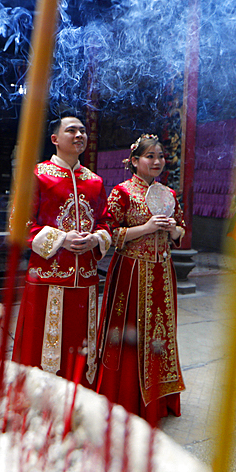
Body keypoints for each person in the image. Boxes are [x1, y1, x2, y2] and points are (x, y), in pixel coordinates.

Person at [11, 113, 111, 387]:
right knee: (42, 349)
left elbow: (105, 222)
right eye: (71, 131)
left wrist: (96, 239)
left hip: (86, 280)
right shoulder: (37, 175)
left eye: (82, 131)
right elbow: (19, 224)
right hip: (47, 278)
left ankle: (79, 403)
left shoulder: (95, 181)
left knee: (80, 346)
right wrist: (61, 239)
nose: (79, 135)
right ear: (55, 139)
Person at [95, 134, 185, 425]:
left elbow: (181, 232)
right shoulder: (122, 192)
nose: (157, 161)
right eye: (150, 157)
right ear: (134, 161)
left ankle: (159, 398)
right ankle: (127, 397)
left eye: (160, 156)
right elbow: (109, 233)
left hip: (162, 273)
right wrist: (146, 228)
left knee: (160, 336)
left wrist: (173, 230)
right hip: (131, 273)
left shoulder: (168, 194)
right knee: (131, 336)